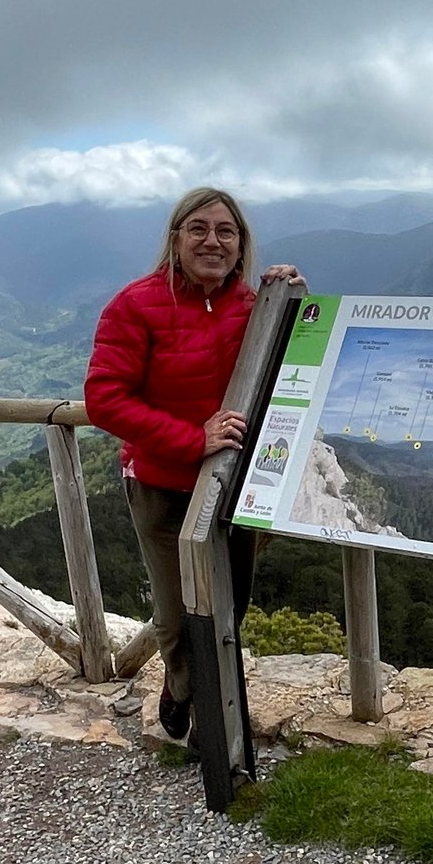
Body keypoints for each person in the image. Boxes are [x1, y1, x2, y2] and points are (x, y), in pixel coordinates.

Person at [85, 187, 304, 740]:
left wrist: (294, 302)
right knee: (177, 613)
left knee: (232, 603)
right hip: (162, 482)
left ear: (241, 244)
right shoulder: (135, 304)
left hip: (235, 485)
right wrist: (191, 439)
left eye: (226, 231)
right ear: (176, 239)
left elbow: (294, 364)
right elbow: (105, 398)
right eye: (199, 229)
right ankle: (194, 697)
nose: (213, 240)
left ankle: (212, 703)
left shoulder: (252, 304)